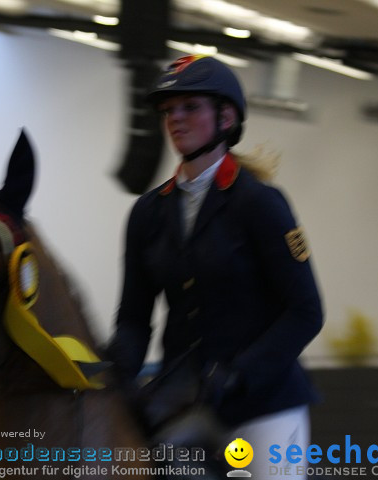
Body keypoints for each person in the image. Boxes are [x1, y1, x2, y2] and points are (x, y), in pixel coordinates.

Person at [108, 54, 323, 479]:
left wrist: (239, 373)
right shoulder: (147, 214)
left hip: (264, 405)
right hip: (181, 402)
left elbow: (305, 313)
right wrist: (115, 378)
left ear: (226, 117)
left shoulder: (260, 203)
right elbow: (134, 319)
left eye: (190, 107)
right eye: (169, 110)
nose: (175, 119)